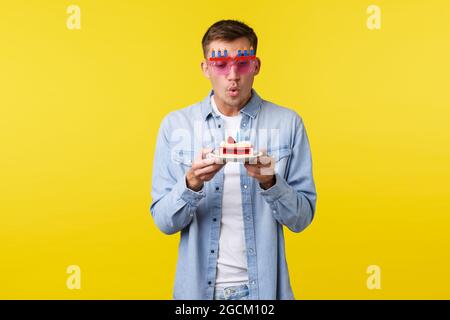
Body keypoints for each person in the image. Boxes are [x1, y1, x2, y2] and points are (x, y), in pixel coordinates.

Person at [150, 20, 317, 300]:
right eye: (220, 64)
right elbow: (164, 222)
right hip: (198, 294)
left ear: (256, 66)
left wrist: (271, 181)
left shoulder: (289, 123)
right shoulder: (176, 125)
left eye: (242, 63)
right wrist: (191, 183)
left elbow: (301, 219)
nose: (232, 75)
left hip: (264, 292)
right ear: (205, 68)